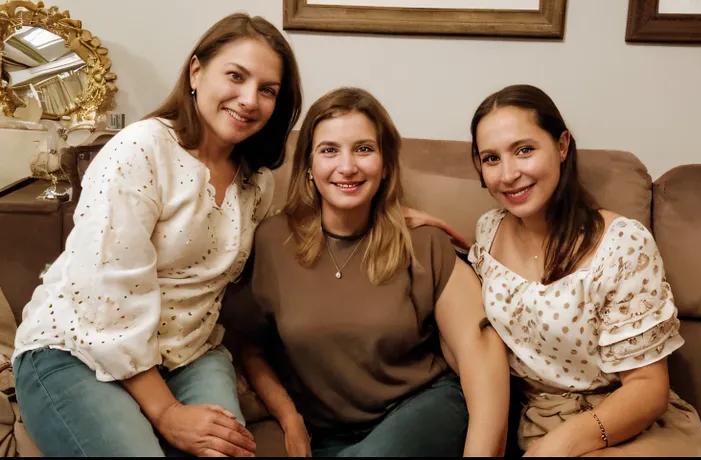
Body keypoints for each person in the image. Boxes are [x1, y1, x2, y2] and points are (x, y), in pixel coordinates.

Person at [11, 13, 302, 456]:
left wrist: (391, 212)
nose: (249, 99)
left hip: (190, 355)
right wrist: (166, 412)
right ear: (196, 72)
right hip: (78, 350)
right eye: (236, 76)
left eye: (267, 90)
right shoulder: (140, 149)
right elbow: (107, 298)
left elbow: (292, 236)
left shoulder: (256, 183)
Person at [230, 87, 510, 457]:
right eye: (329, 150)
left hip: (425, 409)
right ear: (309, 168)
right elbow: (249, 346)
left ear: (386, 164)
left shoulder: (423, 242)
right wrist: (289, 417)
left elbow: (482, 359)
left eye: (364, 149)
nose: (347, 167)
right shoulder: (272, 241)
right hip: (329, 436)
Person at [467, 84, 701, 457]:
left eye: (524, 150)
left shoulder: (622, 245)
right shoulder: (488, 230)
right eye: (491, 158)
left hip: (627, 420)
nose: (508, 174)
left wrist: (561, 445)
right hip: (539, 417)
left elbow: (648, 387)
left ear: (562, 145)